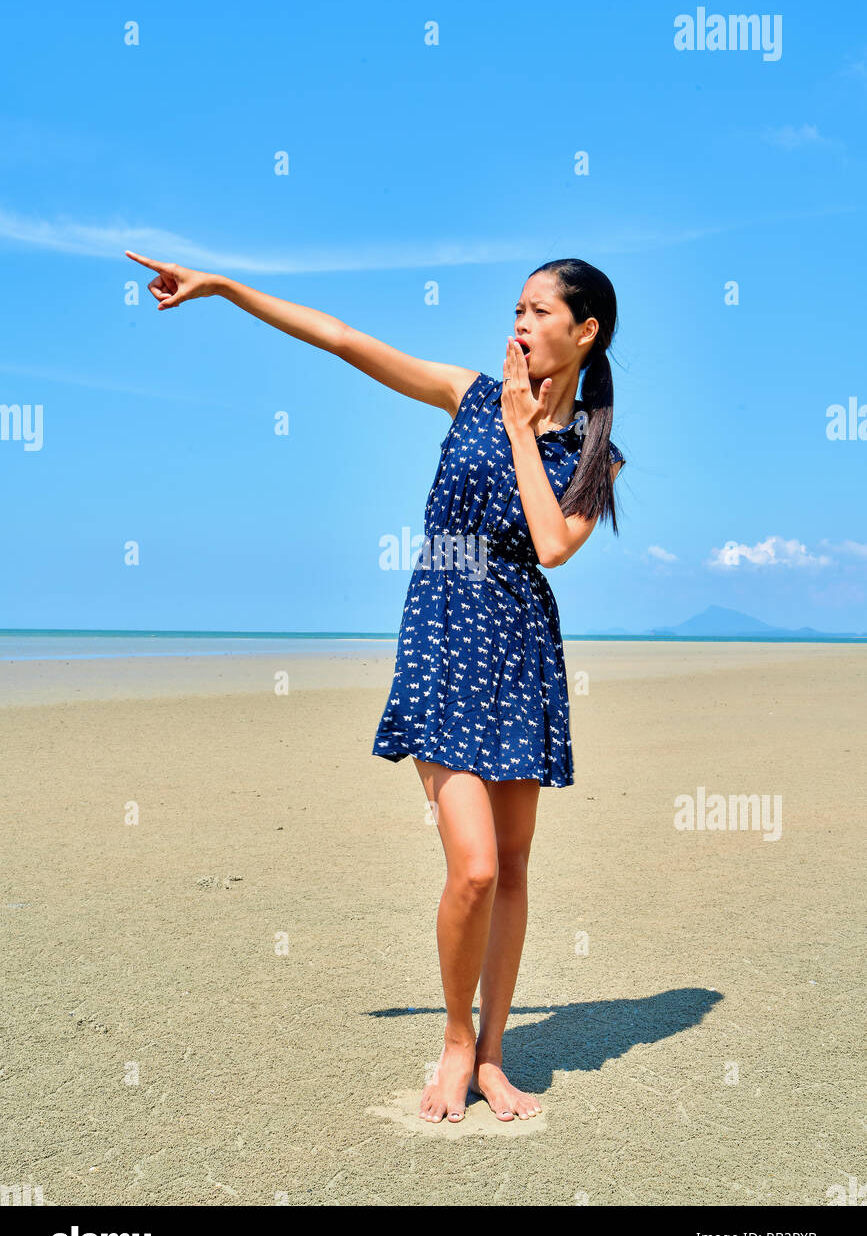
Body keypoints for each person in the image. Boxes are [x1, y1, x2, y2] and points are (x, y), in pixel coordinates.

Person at [124, 250, 626, 1126]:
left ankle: (496, 1054)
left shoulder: (596, 454)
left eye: (537, 311)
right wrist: (226, 289)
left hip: (517, 648)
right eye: (514, 308)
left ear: (583, 330)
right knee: (470, 868)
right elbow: (343, 339)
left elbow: (550, 546)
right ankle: (454, 1043)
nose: (517, 324)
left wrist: (521, 429)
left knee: (511, 867)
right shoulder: (464, 392)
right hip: (442, 634)